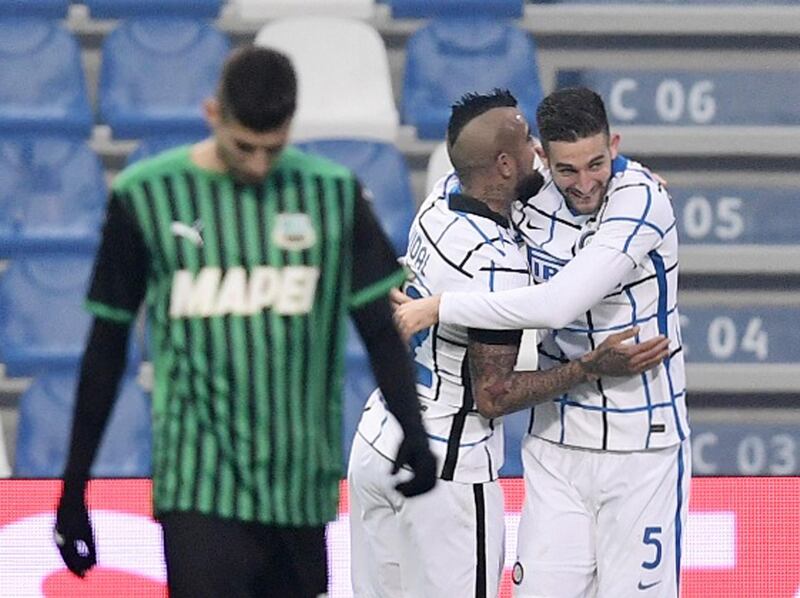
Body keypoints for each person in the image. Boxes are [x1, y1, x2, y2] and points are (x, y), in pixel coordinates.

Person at [53, 45, 437, 598]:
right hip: (198, 484)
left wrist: (413, 430)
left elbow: (379, 329)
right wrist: (73, 487)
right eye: (245, 147)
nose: (259, 164)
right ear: (214, 115)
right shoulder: (146, 196)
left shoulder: (333, 195)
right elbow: (107, 345)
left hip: (300, 481)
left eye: (273, 149)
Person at [348, 89, 670, 597]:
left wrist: (628, 173)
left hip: (377, 439)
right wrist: (587, 368)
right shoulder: (496, 260)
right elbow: (493, 394)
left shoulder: (440, 199)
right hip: (446, 462)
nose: (538, 150)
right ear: (503, 165)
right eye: (527, 143)